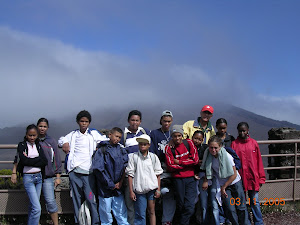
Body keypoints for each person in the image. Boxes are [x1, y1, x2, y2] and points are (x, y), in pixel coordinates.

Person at [58, 110, 108, 225]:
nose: (84, 123)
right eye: (82, 121)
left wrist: (99, 147)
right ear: (78, 122)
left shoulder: (93, 134)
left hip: (89, 173)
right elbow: (61, 140)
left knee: (91, 199)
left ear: (89, 123)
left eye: (86, 121)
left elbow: (105, 140)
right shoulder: (73, 134)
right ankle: (78, 222)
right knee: (76, 199)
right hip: (75, 172)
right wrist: (65, 143)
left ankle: (95, 222)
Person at [11, 118, 62, 225]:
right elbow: (21, 160)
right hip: (30, 177)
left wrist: (58, 176)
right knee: (35, 205)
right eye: (40, 126)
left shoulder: (49, 141)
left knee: (50, 201)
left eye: (44, 126)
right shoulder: (25, 144)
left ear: (47, 128)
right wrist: (14, 172)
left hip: (46, 176)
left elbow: (50, 160)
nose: (42, 128)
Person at [201, 135, 250, 225]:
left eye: (216, 148)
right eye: (211, 147)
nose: (213, 150)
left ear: (220, 147)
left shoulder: (226, 156)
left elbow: (234, 174)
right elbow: (209, 170)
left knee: (241, 207)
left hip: (234, 183)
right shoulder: (208, 156)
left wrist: (224, 187)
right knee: (230, 209)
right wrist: (206, 180)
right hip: (223, 184)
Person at [92, 127, 129, 225]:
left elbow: (125, 167)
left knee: (121, 213)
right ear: (110, 135)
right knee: (105, 214)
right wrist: (110, 184)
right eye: (116, 136)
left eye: (119, 137)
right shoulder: (101, 150)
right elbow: (98, 169)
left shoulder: (122, 150)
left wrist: (120, 182)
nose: (117, 139)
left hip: (118, 188)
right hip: (104, 189)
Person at [231, 122, 266, 225]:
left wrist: (261, 177)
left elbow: (259, 160)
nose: (242, 133)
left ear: (248, 130)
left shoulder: (253, 143)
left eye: (244, 130)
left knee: (254, 201)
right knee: (241, 202)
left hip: (252, 177)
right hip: (240, 177)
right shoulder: (234, 144)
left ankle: (258, 222)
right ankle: (245, 222)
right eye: (240, 131)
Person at [121, 110, 150, 224]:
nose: (134, 123)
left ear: (140, 121)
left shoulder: (145, 132)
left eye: (137, 120)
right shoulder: (124, 134)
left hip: (143, 174)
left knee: (142, 203)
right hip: (130, 174)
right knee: (130, 202)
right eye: (132, 120)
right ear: (128, 121)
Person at [126, 134, 163, 225]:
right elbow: (130, 175)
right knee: (140, 213)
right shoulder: (134, 157)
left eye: (144, 144)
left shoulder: (153, 157)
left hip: (151, 188)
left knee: (151, 211)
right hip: (139, 189)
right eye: (140, 144)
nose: (142, 146)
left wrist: (158, 189)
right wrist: (131, 191)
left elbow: (158, 174)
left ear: (149, 145)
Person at [165, 125, 199, 225]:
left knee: (190, 205)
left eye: (179, 135)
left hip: (190, 179)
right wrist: (187, 165)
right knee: (181, 205)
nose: (177, 138)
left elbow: (195, 160)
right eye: (175, 136)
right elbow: (170, 166)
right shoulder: (168, 148)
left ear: (182, 135)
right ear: (172, 136)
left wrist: (179, 162)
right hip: (178, 179)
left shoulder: (189, 143)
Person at [15, 124, 48, 225]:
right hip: (28, 178)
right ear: (26, 135)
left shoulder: (38, 145)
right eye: (30, 135)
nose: (32, 137)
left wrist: (30, 160)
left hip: (39, 177)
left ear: (37, 135)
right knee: (37, 208)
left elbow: (44, 161)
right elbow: (24, 161)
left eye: (34, 135)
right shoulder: (22, 145)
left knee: (33, 206)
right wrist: (36, 160)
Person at [149, 110, 176, 225]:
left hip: (172, 168)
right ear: (161, 121)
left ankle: (166, 220)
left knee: (169, 194)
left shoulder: (174, 134)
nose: (166, 123)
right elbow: (152, 152)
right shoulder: (154, 133)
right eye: (164, 121)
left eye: (169, 121)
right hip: (158, 167)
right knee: (155, 193)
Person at [192, 130, 209, 224]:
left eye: (199, 139)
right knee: (193, 200)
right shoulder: (188, 148)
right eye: (195, 138)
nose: (197, 141)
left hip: (203, 177)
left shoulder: (205, 149)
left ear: (202, 140)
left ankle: (202, 221)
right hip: (192, 177)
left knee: (203, 201)